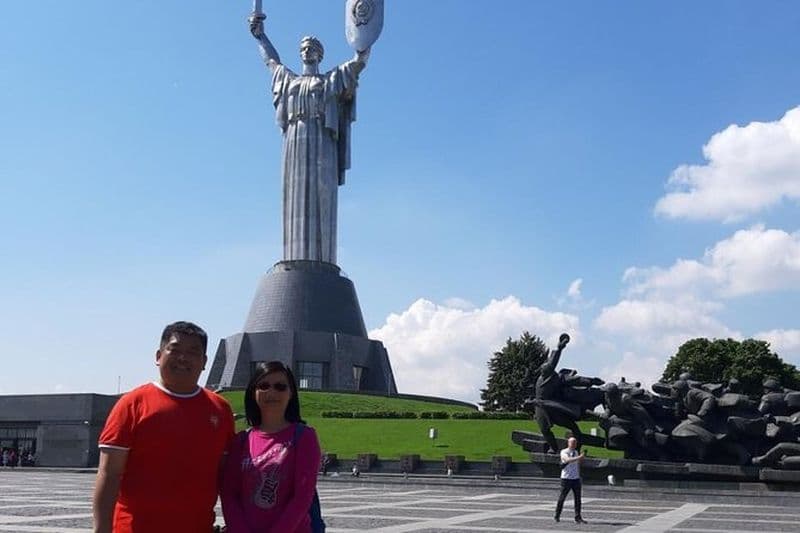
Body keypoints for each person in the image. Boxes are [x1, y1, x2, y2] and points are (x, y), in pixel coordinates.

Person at [248, 13, 370, 264]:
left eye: (311, 48)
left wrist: (364, 37)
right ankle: (293, 260)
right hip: (294, 139)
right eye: (303, 48)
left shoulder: (330, 80)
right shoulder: (288, 80)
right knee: (293, 196)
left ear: (320, 55)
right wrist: (261, 37)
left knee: (321, 194)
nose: (306, 51)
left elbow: (358, 63)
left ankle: (321, 260)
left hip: (321, 138)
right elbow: (271, 61)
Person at [92, 321, 235, 533]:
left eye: (193, 352)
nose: (183, 358)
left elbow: (225, 476)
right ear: (159, 356)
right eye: (174, 350)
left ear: (204, 361)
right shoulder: (132, 404)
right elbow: (109, 473)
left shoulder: (220, 409)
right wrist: (102, 529)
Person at [221, 361, 322, 532]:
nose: (271, 392)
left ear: (291, 393)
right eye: (264, 386)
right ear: (253, 392)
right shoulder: (241, 440)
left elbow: (302, 497)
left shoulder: (305, 437)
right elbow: (229, 495)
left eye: (280, 387)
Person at [554, 437, 587, 524]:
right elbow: (567, 460)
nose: (574, 444)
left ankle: (578, 517)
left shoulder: (576, 452)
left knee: (578, 499)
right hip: (566, 478)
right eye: (572, 442)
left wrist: (579, 475)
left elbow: (577, 464)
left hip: (575, 478)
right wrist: (579, 457)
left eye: (575, 443)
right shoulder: (564, 452)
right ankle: (557, 515)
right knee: (562, 497)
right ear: (568, 443)